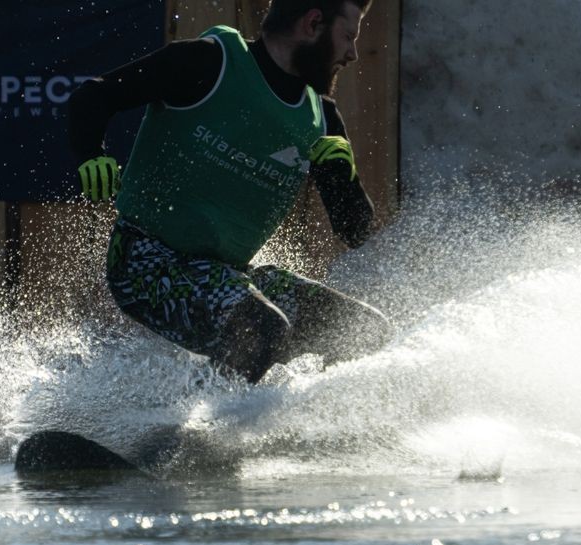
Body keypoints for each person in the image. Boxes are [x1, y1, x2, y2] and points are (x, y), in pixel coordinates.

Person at [68, 0, 393, 383]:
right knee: (263, 327)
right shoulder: (209, 62)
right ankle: (201, 434)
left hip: (231, 276)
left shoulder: (322, 117)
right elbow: (94, 95)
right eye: (349, 36)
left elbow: (355, 231)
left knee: (363, 330)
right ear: (313, 23)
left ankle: (310, 429)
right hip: (145, 263)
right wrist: (91, 154)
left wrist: (341, 177)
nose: (353, 53)